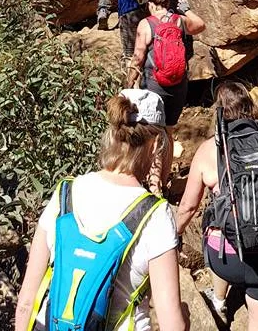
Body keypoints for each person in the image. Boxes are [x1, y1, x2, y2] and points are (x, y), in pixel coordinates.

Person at [15, 94, 186, 331]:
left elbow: (26, 303)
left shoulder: (66, 193)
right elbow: (172, 324)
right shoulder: (155, 215)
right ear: (155, 145)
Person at [176, 81, 258, 330]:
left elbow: (187, 207)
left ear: (219, 113)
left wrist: (176, 236)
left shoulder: (209, 150)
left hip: (225, 260)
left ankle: (218, 300)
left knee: (217, 214)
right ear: (252, 107)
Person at [127, 0, 206, 190]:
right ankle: (164, 181)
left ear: (151, 4)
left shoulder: (146, 24)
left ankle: (154, 185)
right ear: (168, 3)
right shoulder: (179, 21)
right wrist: (186, 9)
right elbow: (200, 25)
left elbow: (138, 57)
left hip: (155, 84)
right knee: (168, 133)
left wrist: (128, 84)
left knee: (154, 133)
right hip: (178, 85)